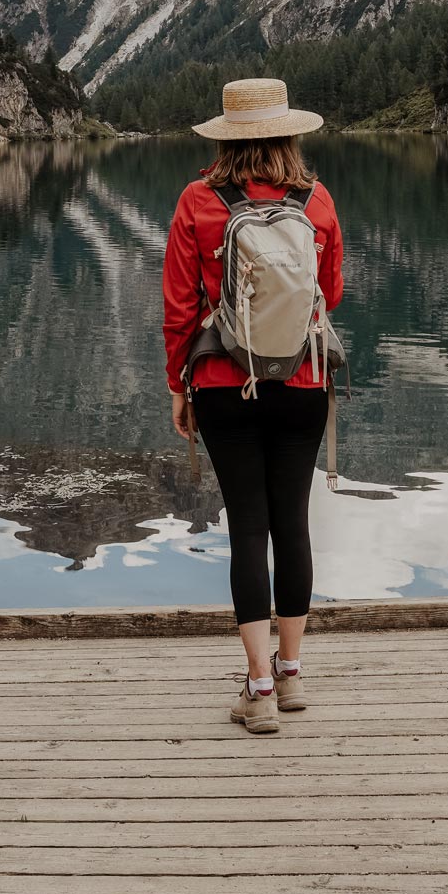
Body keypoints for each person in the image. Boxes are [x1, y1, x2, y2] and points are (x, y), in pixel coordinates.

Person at [162, 76, 343, 735]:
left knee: (247, 528)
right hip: (301, 382)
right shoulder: (315, 200)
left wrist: (178, 386)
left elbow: (179, 309)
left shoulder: (197, 200)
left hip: (220, 385)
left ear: (228, 137)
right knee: (292, 523)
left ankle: (258, 688)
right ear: (289, 131)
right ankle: (291, 675)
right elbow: (332, 292)